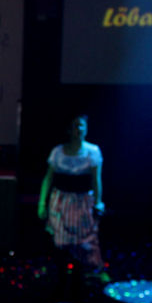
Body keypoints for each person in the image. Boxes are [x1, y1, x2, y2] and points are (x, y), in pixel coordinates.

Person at [37, 114, 106, 279]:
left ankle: (78, 277)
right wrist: (42, 203)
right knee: (60, 241)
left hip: (82, 201)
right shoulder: (58, 152)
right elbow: (48, 178)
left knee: (83, 243)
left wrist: (98, 202)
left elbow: (96, 180)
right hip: (61, 201)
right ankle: (61, 275)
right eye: (75, 125)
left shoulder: (92, 151)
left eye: (82, 125)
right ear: (69, 129)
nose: (79, 129)